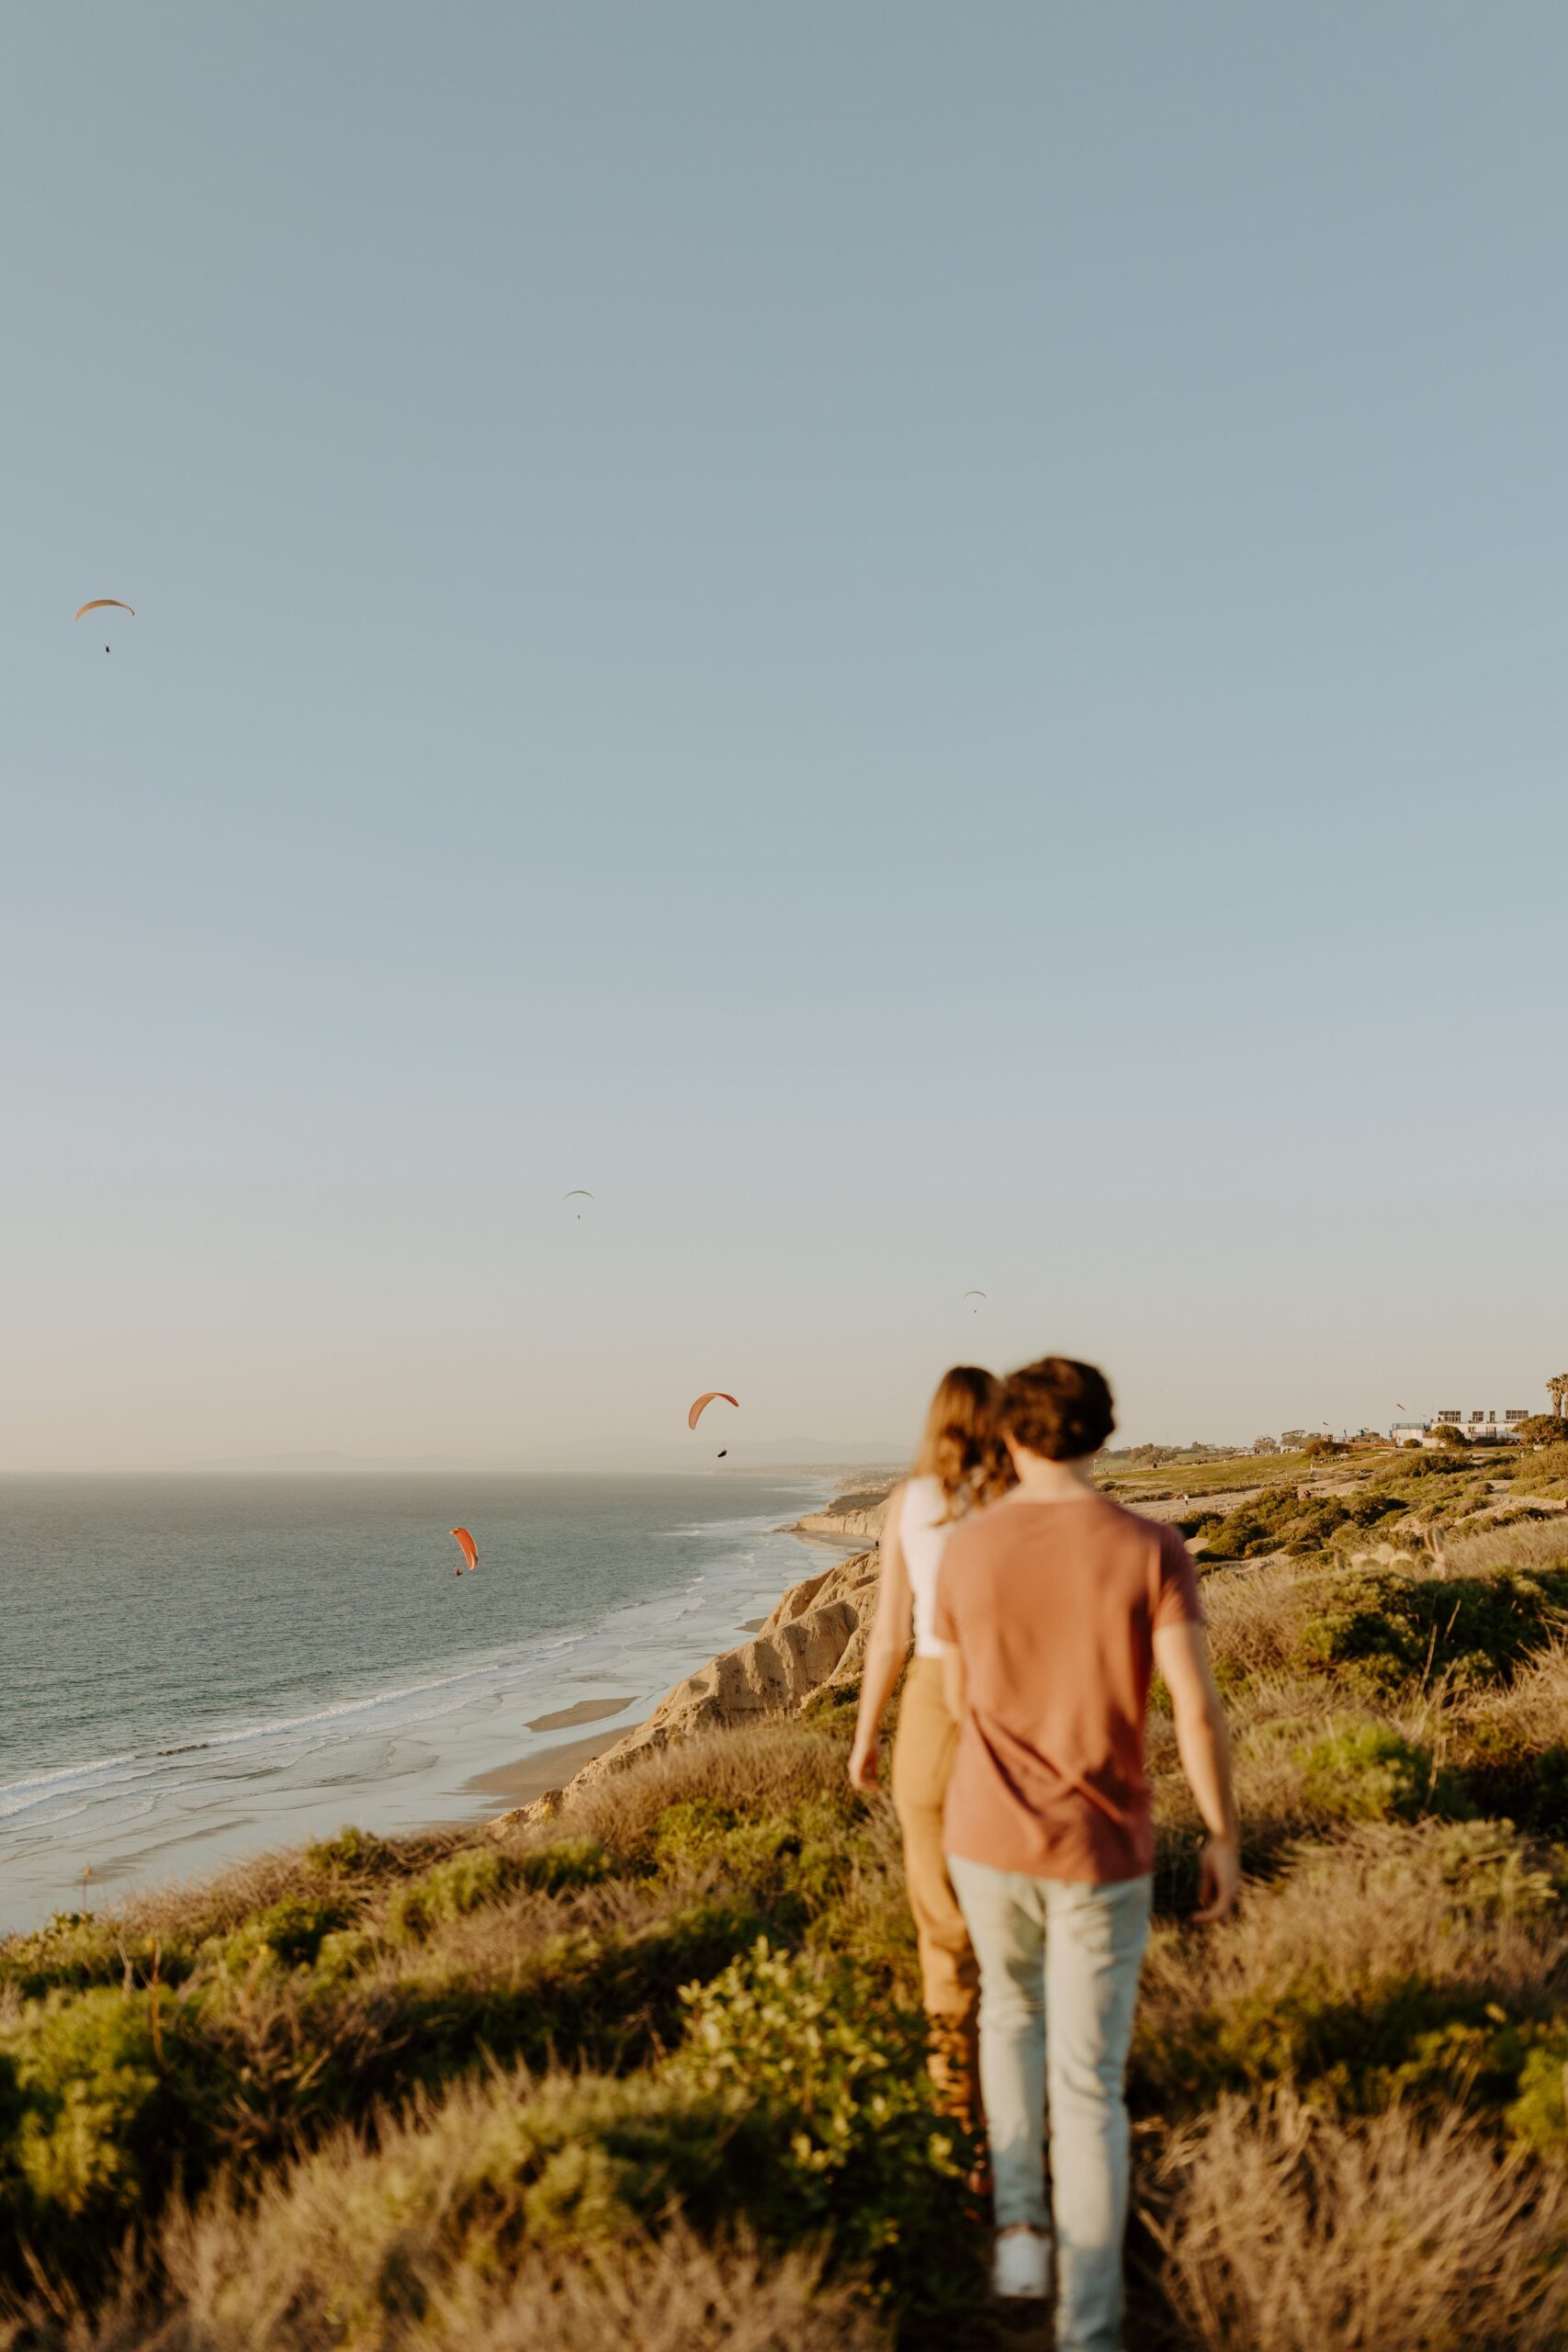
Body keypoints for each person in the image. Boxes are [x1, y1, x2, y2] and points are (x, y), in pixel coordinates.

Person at [934, 1356, 1237, 2345]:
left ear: (1012, 1437)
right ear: (1104, 1433)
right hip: (1101, 1844)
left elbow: (951, 1700)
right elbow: (1193, 1708)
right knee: (1087, 2086)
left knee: (1006, 2019)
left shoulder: (968, 1550)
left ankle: (1021, 2241)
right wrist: (1223, 1833)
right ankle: (1089, 2329)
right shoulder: (1151, 1548)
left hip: (984, 1834)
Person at [847, 1365, 1012, 2126]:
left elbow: (886, 1635)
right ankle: (1028, 2106)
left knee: (942, 1926)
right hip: (1020, 1700)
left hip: (934, 1702)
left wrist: (866, 1738)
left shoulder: (909, 1503)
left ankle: (961, 2120)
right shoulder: (1027, 1502)